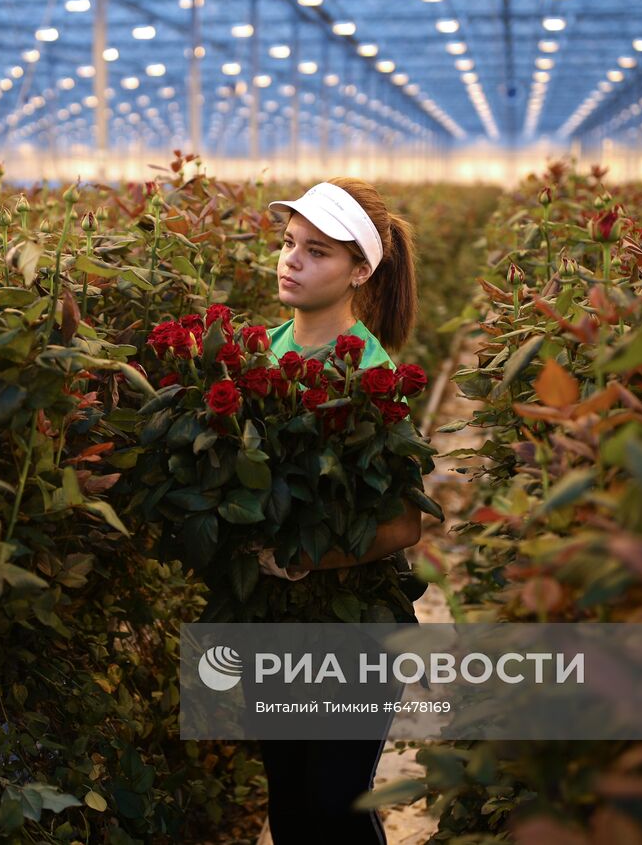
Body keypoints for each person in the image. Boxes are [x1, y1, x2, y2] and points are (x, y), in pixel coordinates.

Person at [249, 177, 429, 845]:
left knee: (334, 805)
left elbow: (407, 523)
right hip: (274, 625)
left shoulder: (374, 378)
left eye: (317, 251)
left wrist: (306, 557)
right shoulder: (252, 356)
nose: (291, 260)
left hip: (357, 622)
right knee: (291, 807)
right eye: (290, 243)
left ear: (360, 270)